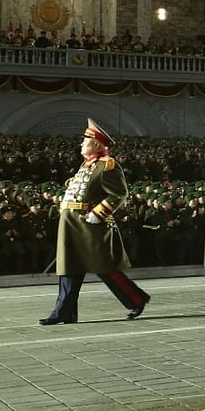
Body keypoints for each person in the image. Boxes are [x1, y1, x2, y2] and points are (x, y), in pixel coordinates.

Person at [39, 119, 150, 325]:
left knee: (104, 267)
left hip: (91, 225)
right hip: (72, 224)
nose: (81, 144)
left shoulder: (107, 166)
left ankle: (137, 299)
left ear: (96, 144)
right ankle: (64, 313)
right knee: (69, 268)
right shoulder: (85, 166)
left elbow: (118, 194)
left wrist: (98, 213)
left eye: (85, 141)